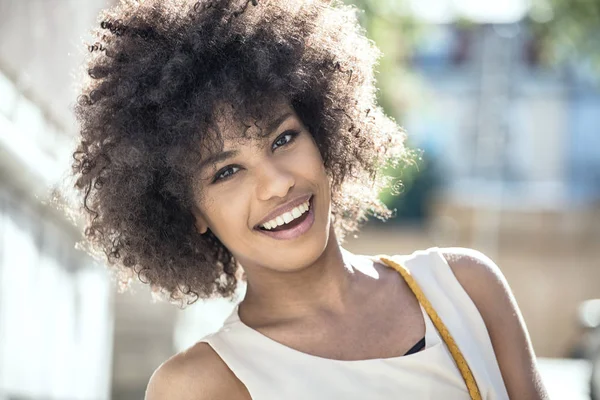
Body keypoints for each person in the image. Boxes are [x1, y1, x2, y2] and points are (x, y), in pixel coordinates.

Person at [71, 0, 549, 398]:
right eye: (227, 171)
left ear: (323, 134)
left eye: (283, 139)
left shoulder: (465, 287)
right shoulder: (202, 386)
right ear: (190, 210)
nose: (277, 184)